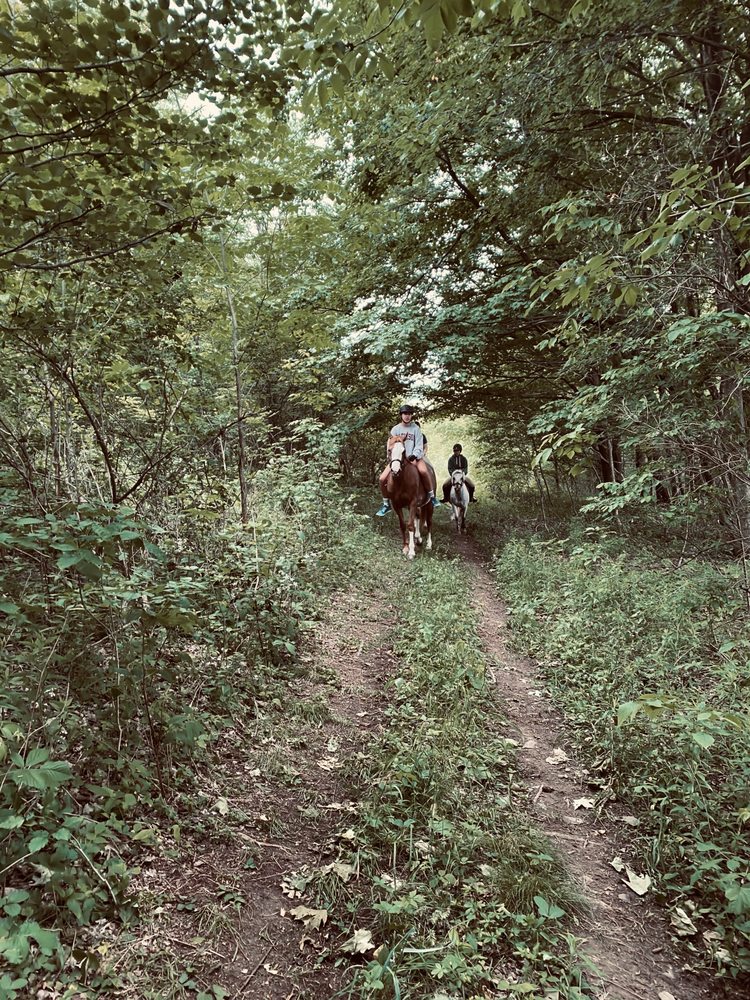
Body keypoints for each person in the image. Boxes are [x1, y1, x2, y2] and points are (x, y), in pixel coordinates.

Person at [376, 405, 442, 516]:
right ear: (401, 415)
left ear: (411, 415)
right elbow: (390, 445)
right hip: (398, 458)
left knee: (424, 471)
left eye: (409, 414)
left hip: (413, 458)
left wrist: (414, 455)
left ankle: (432, 497)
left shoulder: (416, 429)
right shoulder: (395, 429)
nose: (407, 416)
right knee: (382, 478)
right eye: (405, 414)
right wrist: (391, 456)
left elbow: (419, 445)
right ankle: (386, 504)